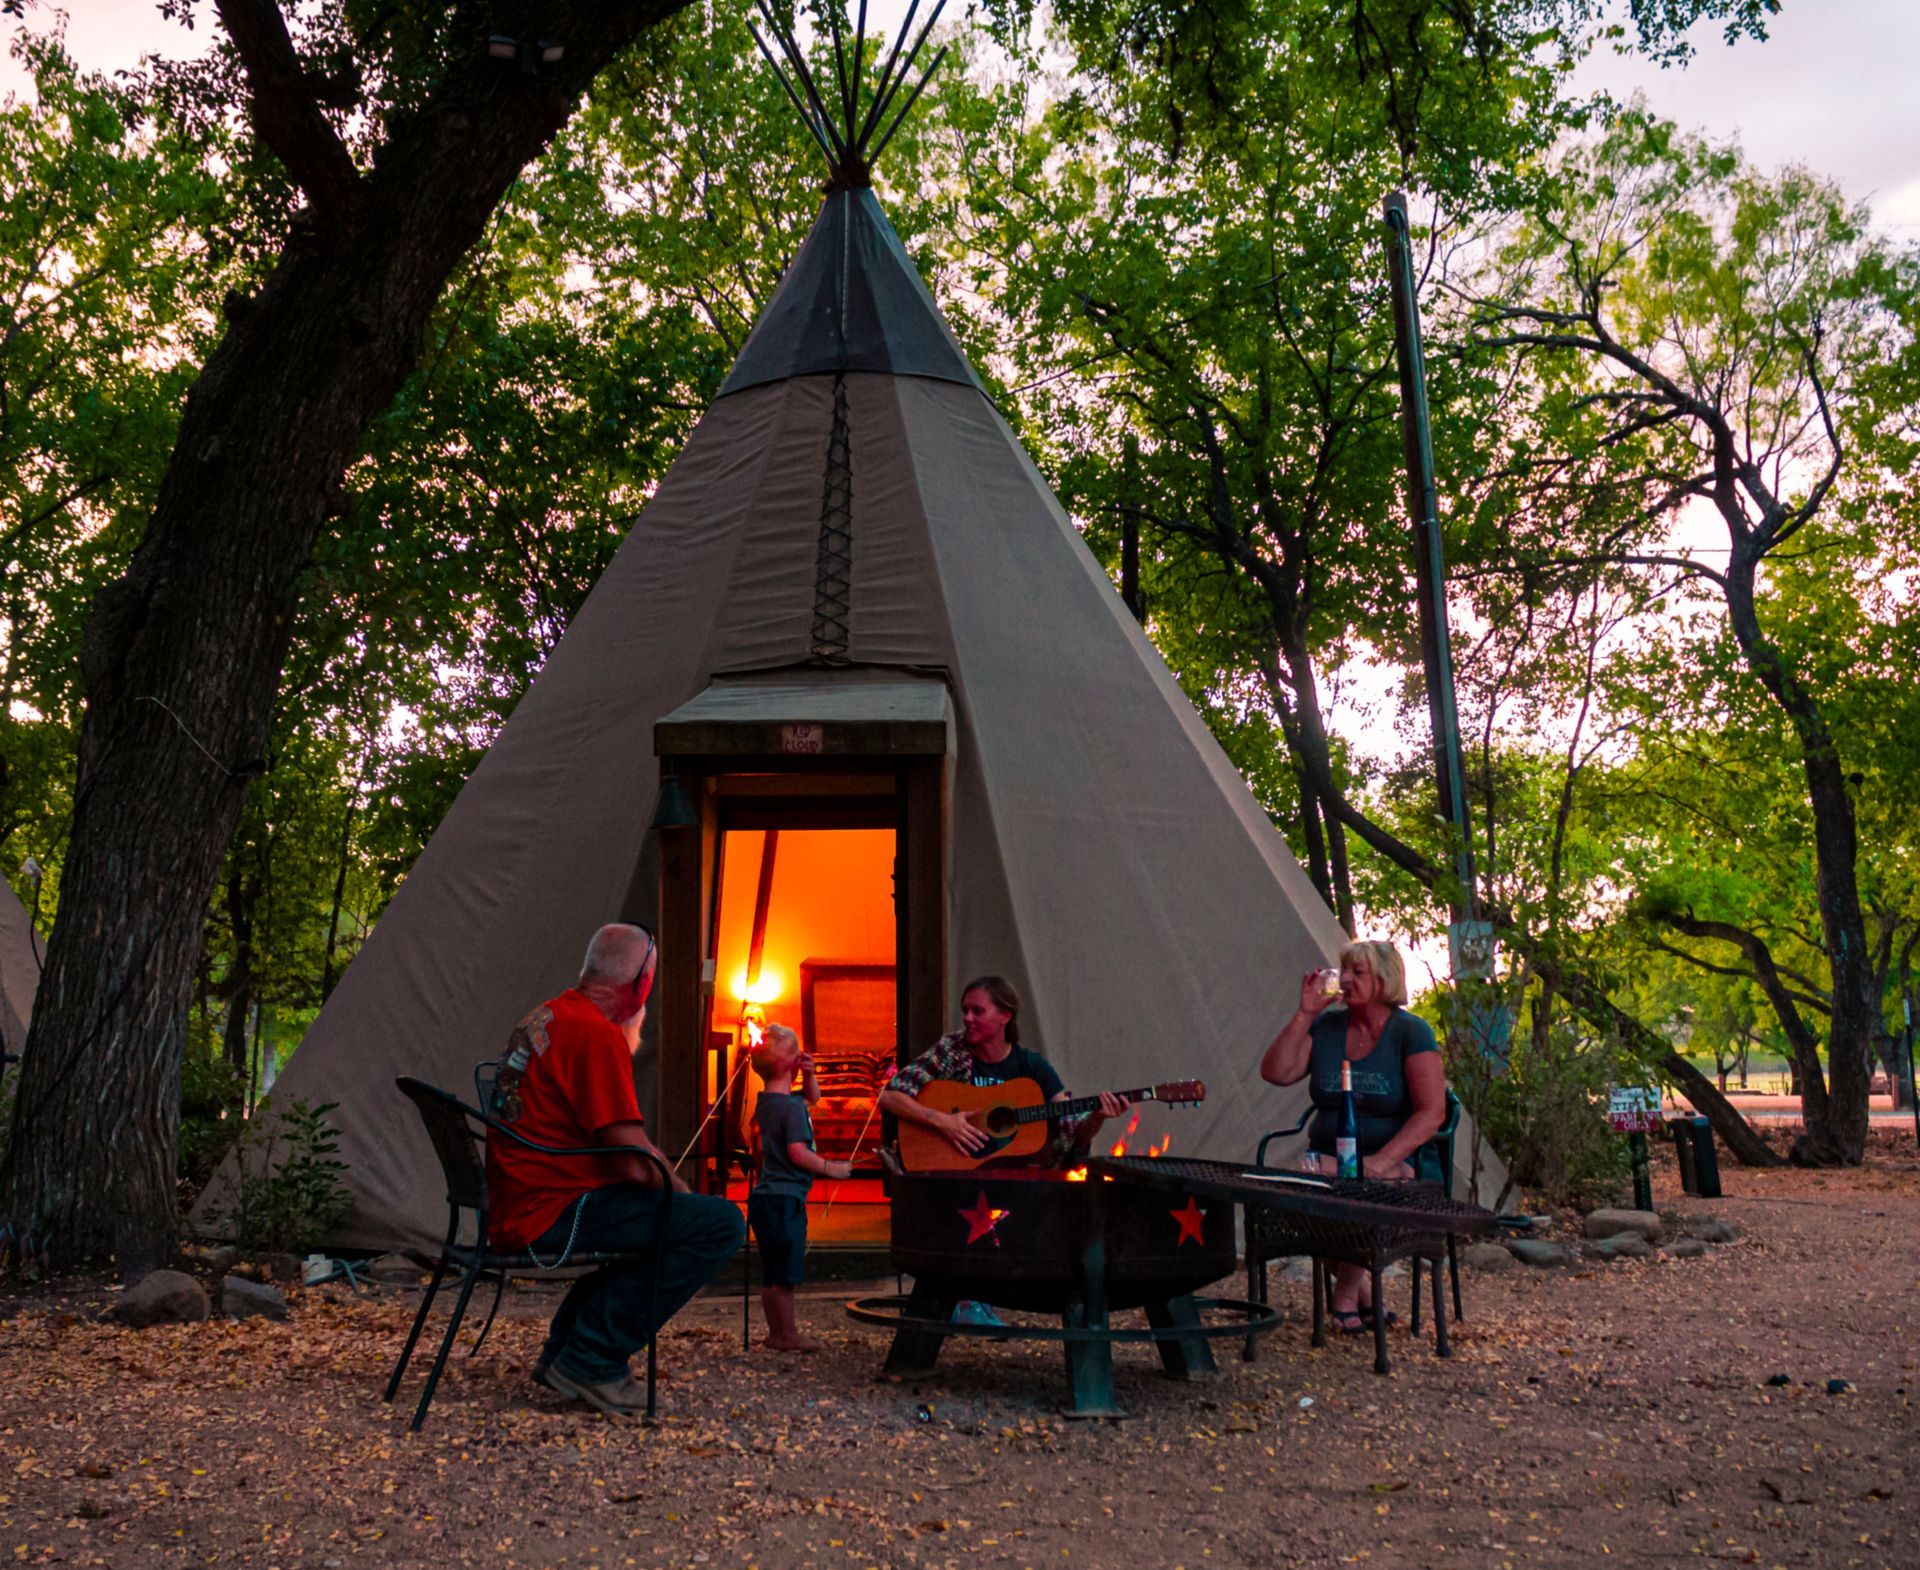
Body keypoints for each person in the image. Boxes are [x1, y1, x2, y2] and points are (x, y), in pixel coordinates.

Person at [486, 922, 746, 1415]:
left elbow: (620, 1142)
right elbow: (631, 1161)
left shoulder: (550, 1015)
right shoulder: (594, 1035)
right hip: (550, 1214)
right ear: (642, 983)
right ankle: (591, 1359)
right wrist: (678, 1189)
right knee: (718, 1225)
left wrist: (664, 1182)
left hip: (520, 1201)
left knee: (663, 1219)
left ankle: (564, 1351)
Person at [1257, 938, 1447, 1334]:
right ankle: (1365, 1295)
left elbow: (1432, 1113)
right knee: (1318, 1183)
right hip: (1328, 1156)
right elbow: (1276, 1073)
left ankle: (1344, 1298)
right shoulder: (1327, 1027)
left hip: (1398, 1161)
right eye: (1344, 971)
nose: (1345, 979)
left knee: (1356, 1187)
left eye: (1357, 973)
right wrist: (1304, 1015)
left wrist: (1382, 1161)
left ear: (1383, 979)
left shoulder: (1411, 1032)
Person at [878, 974, 1130, 1164]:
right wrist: (942, 1121)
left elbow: (1073, 1131)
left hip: (1013, 1180)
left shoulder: (1031, 1066)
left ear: (1005, 1017)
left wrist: (1096, 1118)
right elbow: (889, 1096)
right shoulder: (951, 1050)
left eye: (977, 1011)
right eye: (965, 1010)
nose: (967, 1018)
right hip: (953, 1174)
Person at [746, 1023, 852, 1352]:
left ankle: (775, 1332)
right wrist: (830, 1168)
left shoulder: (769, 1102)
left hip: (764, 1199)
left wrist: (809, 1075)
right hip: (784, 1199)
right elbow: (797, 1152)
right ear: (791, 1065)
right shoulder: (790, 1110)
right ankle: (786, 1334)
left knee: (771, 1271)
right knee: (786, 1274)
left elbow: (812, 1097)